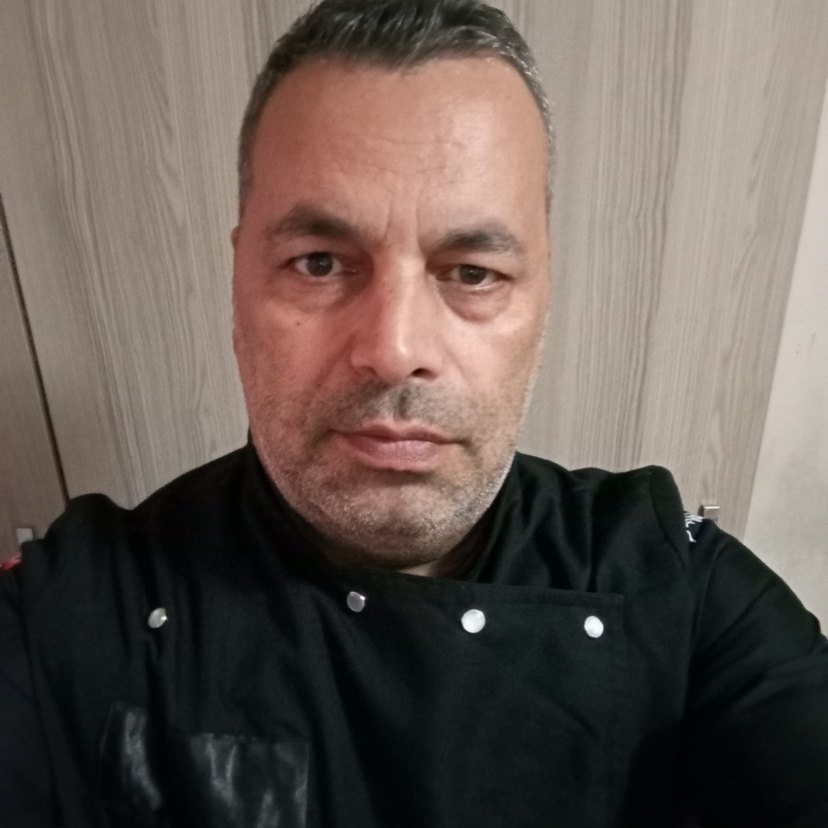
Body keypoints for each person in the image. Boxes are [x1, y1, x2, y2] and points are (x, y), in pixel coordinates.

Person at [2, 0, 827, 825]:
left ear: (544, 296)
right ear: (238, 281)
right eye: (318, 262)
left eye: (472, 272)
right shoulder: (64, 622)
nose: (394, 350)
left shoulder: (683, 595)